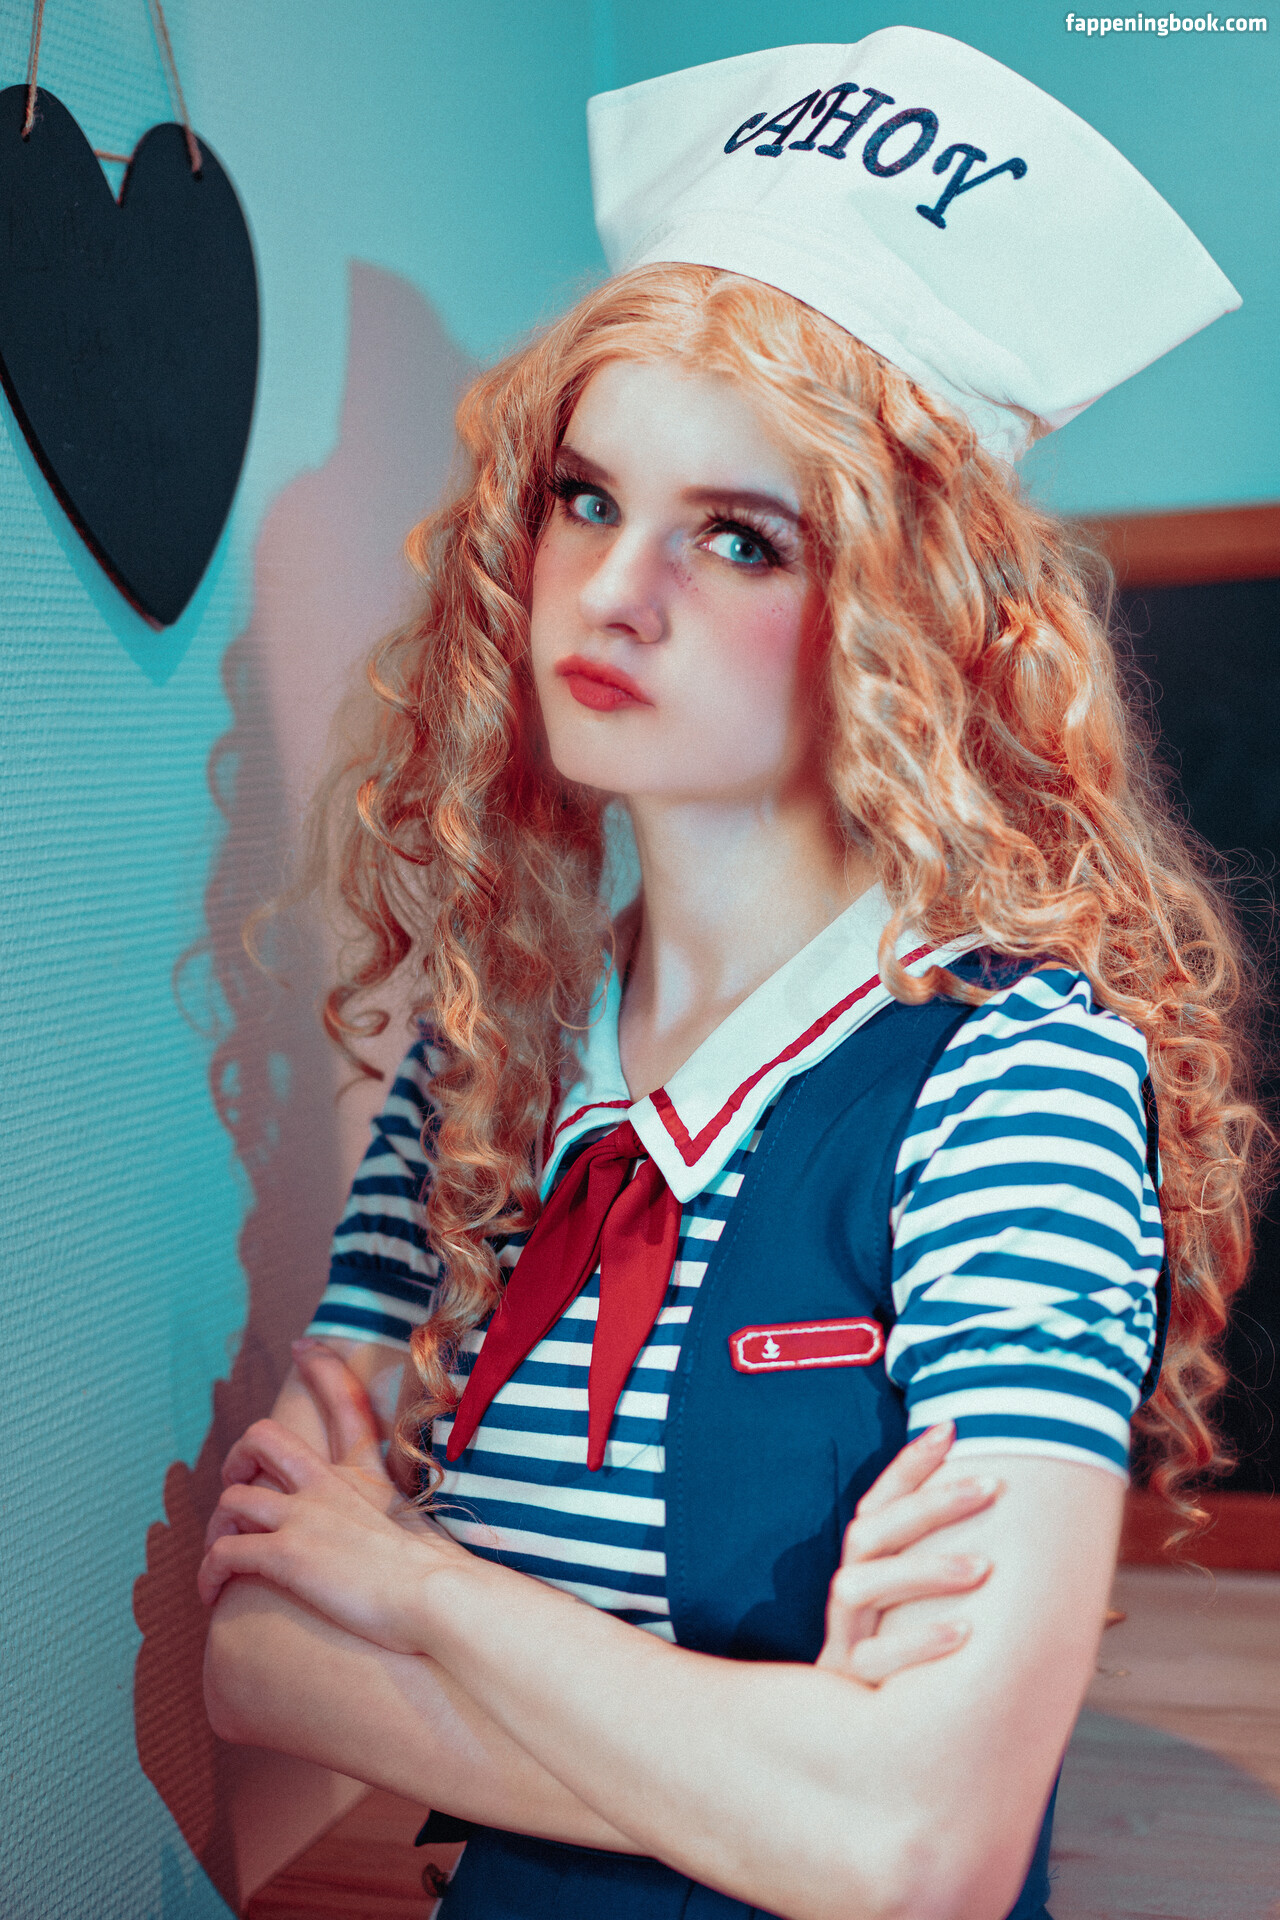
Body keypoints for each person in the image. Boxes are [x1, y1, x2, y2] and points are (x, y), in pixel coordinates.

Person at [199, 28, 1263, 1920]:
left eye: (741, 538)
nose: (616, 593)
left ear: (907, 623)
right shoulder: (488, 1070)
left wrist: (417, 1587)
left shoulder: (1014, 1074)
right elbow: (258, 1659)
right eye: (587, 498)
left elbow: (927, 1857)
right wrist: (801, 1765)